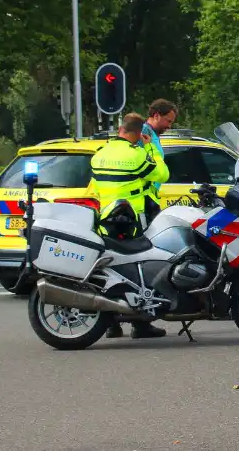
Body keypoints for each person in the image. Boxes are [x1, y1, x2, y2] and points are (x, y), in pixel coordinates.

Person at [89, 112, 170, 339]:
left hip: (105, 221)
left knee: (109, 270)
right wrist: (150, 148)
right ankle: (141, 324)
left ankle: (110, 324)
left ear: (121, 129)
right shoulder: (136, 155)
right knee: (138, 272)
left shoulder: (99, 154)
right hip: (131, 221)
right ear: (139, 133)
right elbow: (162, 174)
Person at [141, 99, 177, 193]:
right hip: (145, 193)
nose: (169, 126)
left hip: (150, 194)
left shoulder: (152, 133)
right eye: (168, 121)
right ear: (156, 116)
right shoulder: (145, 132)